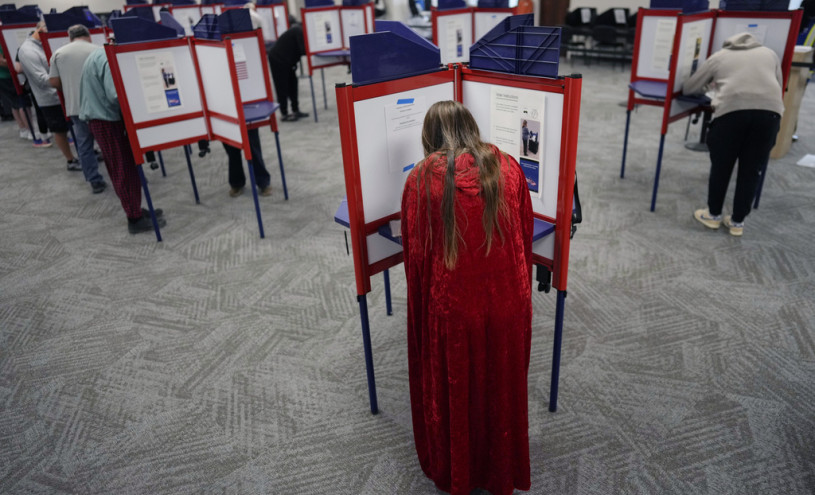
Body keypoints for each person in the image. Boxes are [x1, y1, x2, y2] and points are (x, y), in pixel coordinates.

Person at [400, 100, 534, 495]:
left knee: (458, 392)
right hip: (509, 300)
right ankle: (499, 468)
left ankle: (460, 472)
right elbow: (524, 239)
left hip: (454, 307)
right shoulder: (509, 165)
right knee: (500, 388)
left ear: (429, 137)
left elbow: (416, 256)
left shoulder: (422, 179)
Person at [683, 32, 783, 237]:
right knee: (752, 168)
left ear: (728, 43)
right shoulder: (770, 54)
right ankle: (737, 222)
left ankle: (713, 215)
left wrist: (710, 86)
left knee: (722, 166)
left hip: (731, 114)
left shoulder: (720, 56)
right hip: (769, 115)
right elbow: (779, 85)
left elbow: (689, 88)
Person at [79, 48, 166, 234]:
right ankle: (134, 219)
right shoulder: (108, 58)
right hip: (106, 120)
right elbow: (116, 95)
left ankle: (135, 208)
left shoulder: (102, 53)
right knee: (122, 168)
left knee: (126, 165)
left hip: (104, 117)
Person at [49, 24, 107, 194]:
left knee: (84, 145)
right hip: (100, 106)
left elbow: (53, 82)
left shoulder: (59, 53)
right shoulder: (99, 50)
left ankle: (94, 180)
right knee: (107, 143)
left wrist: (68, 87)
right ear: (88, 36)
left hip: (75, 106)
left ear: (70, 37)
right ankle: (118, 175)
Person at [17, 21, 81, 167]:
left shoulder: (48, 43)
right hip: (50, 98)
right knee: (60, 130)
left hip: (67, 93)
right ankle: (70, 160)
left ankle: (83, 154)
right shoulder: (27, 50)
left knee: (77, 126)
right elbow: (40, 79)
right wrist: (67, 82)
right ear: (40, 30)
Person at [268, 24, 309, 122]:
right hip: (277, 59)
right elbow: (303, 50)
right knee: (282, 85)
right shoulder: (299, 31)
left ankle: (295, 110)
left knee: (293, 83)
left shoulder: (299, 30)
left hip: (288, 60)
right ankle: (284, 113)